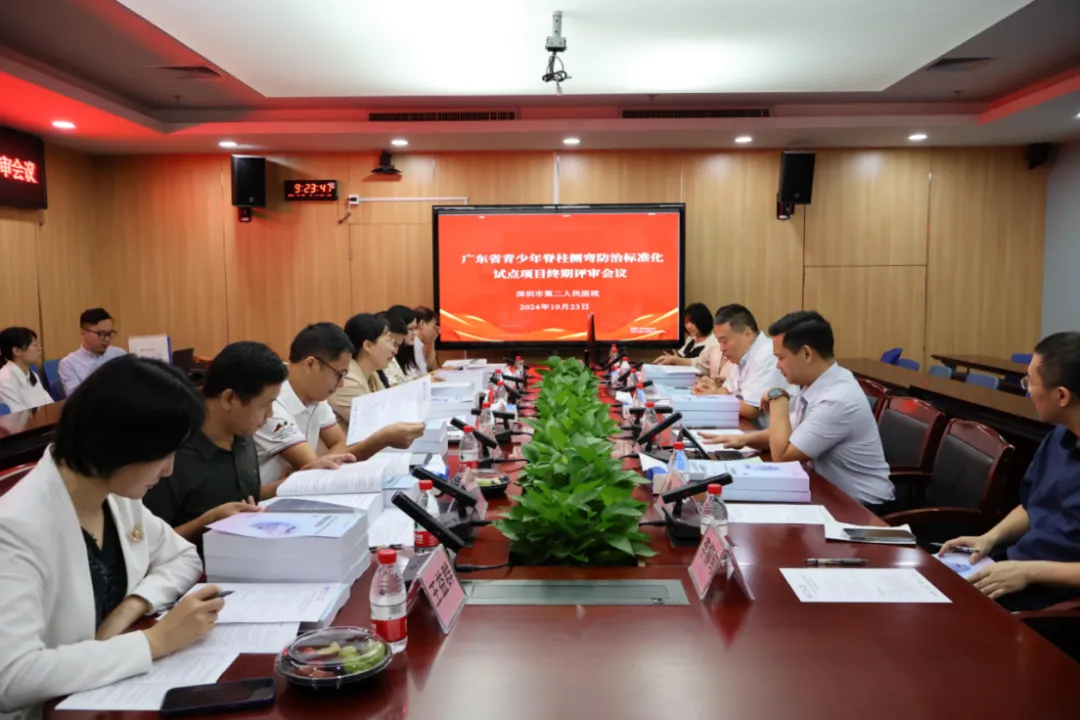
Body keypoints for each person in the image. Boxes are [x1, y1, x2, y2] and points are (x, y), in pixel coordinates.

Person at [0, 356, 223, 718]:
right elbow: (11, 677)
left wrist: (133, 605)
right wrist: (154, 641)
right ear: (118, 443)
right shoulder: (14, 528)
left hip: (109, 698)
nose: (169, 470)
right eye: (163, 454)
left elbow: (182, 556)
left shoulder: (114, 495)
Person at [143, 341, 354, 550]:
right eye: (265, 405)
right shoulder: (171, 456)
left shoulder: (242, 432)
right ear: (229, 399)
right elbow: (144, 547)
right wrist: (204, 523)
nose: (270, 414)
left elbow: (242, 498)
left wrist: (299, 480)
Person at [939, 332, 1080, 611]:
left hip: (1055, 601)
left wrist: (1029, 572)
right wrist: (989, 538)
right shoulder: (1058, 438)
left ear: (1062, 395)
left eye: (1030, 382)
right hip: (1015, 569)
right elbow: (1032, 507)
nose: (1027, 390)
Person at [705, 311, 894, 510]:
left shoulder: (837, 399)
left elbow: (783, 457)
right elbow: (792, 432)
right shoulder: (820, 382)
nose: (777, 366)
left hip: (863, 507)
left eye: (781, 358)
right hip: (826, 489)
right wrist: (743, 440)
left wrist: (778, 399)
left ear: (806, 354)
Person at [252, 323, 425, 484]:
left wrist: (320, 462)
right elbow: (316, 470)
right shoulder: (272, 400)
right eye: (339, 375)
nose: (341, 384)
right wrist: (383, 439)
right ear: (311, 364)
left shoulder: (314, 393)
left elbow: (338, 444)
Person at [693, 304, 794, 427]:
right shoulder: (744, 355)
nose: (722, 348)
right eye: (719, 342)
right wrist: (708, 390)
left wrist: (714, 396)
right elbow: (727, 390)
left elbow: (751, 410)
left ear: (747, 333)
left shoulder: (767, 354)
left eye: (724, 341)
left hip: (771, 434)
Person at [329, 314, 394, 432]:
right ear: (368, 346)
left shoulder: (372, 373)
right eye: (389, 340)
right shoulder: (347, 380)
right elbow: (375, 425)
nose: (394, 350)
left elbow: (390, 409)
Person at [58, 308, 126, 396]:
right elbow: (75, 399)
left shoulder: (119, 355)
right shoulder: (68, 364)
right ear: (83, 331)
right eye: (101, 334)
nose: (107, 339)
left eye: (109, 334)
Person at [0, 327, 53, 412]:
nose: (40, 348)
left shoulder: (32, 375)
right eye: (34, 345)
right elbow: (18, 415)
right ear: (17, 351)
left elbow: (49, 405)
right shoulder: (4, 380)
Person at [382, 306, 419, 386]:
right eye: (410, 329)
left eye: (416, 328)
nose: (415, 333)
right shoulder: (387, 355)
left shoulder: (406, 351)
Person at [413, 306, 439, 375]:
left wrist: (432, 340)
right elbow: (415, 377)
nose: (435, 332)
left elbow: (429, 368)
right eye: (433, 327)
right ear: (422, 324)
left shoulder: (418, 343)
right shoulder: (412, 344)